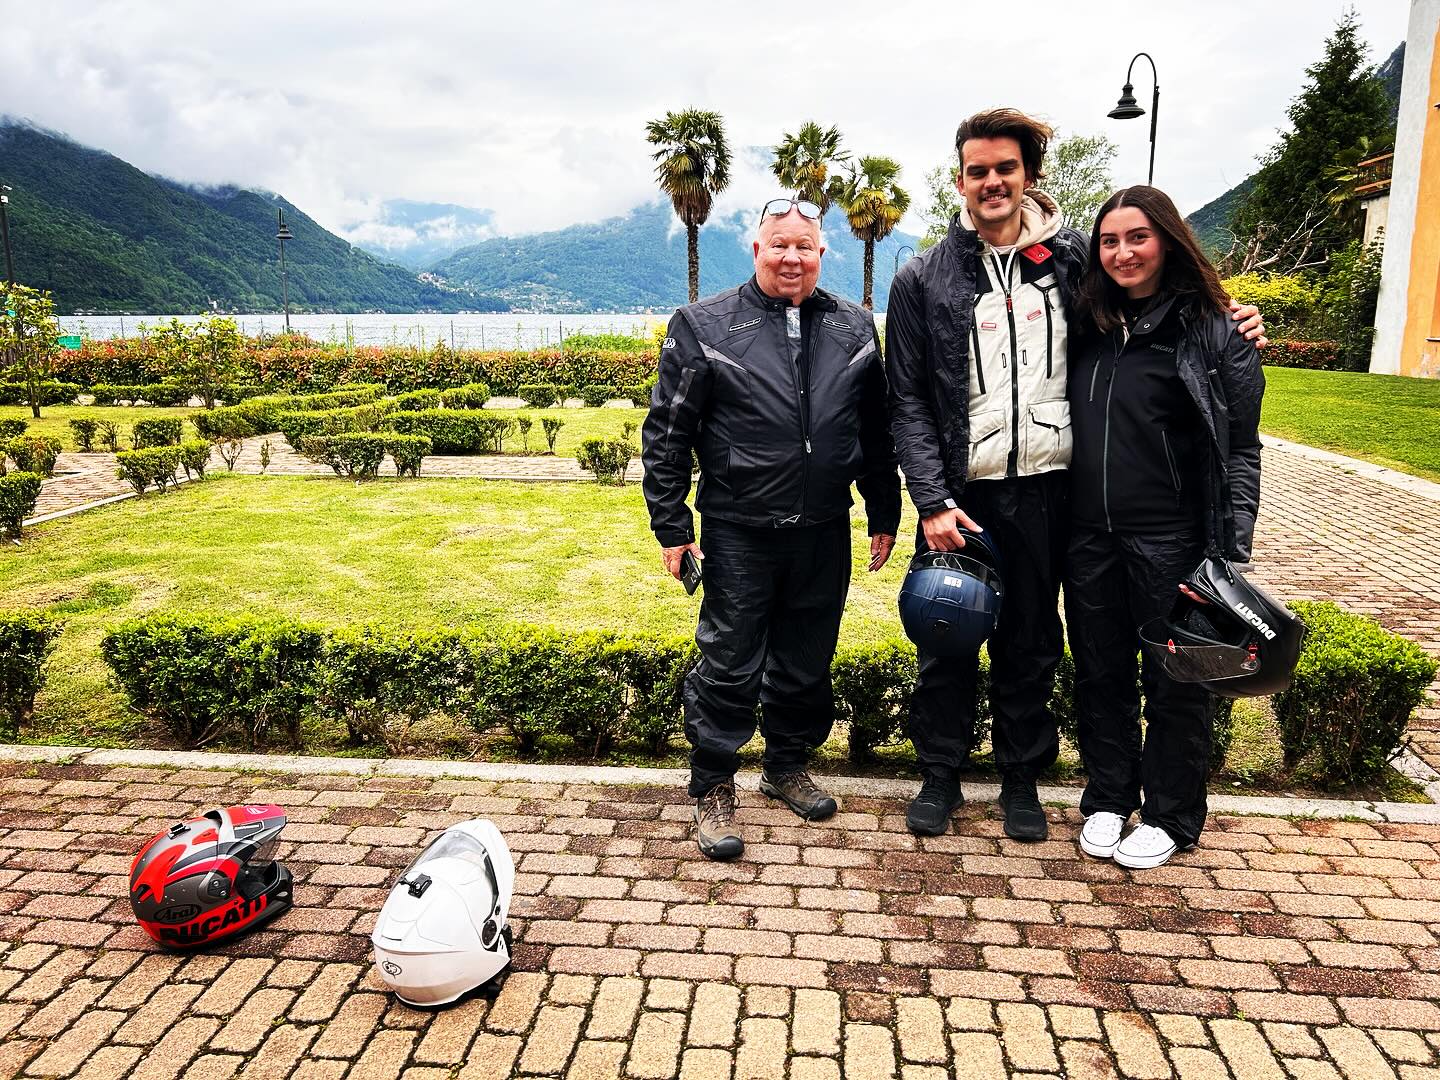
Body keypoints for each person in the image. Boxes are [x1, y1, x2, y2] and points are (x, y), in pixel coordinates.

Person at [884, 109, 1264, 841]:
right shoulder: (921, 277)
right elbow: (906, 400)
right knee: (946, 633)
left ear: (1029, 174)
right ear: (958, 180)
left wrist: (1229, 319)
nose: (991, 182)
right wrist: (929, 498)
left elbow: (1159, 308)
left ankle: (1021, 776)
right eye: (976, 170)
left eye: (1005, 168)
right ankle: (939, 773)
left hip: (1057, 491)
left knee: (1031, 640)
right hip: (960, 494)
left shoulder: (1074, 264)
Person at [641, 197, 901, 861]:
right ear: (756, 249)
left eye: (805, 247)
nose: (792, 256)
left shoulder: (853, 325)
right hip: (738, 526)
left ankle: (786, 765)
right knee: (729, 660)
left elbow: (875, 429)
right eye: (779, 244)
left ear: (822, 254)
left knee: (807, 657)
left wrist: (883, 508)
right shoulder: (701, 325)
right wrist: (673, 526)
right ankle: (713, 783)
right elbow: (669, 433)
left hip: (823, 526)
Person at [1065, 186, 1263, 869]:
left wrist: (1231, 547)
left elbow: (1241, 446)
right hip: (1089, 534)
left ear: (1168, 241)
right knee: (1100, 671)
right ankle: (1110, 797)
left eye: (1137, 237)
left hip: (1173, 537)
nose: (1122, 252)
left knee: (1179, 677)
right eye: (1110, 240)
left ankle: (1173, 814)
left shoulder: (1214, 329)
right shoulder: (1085, 321)